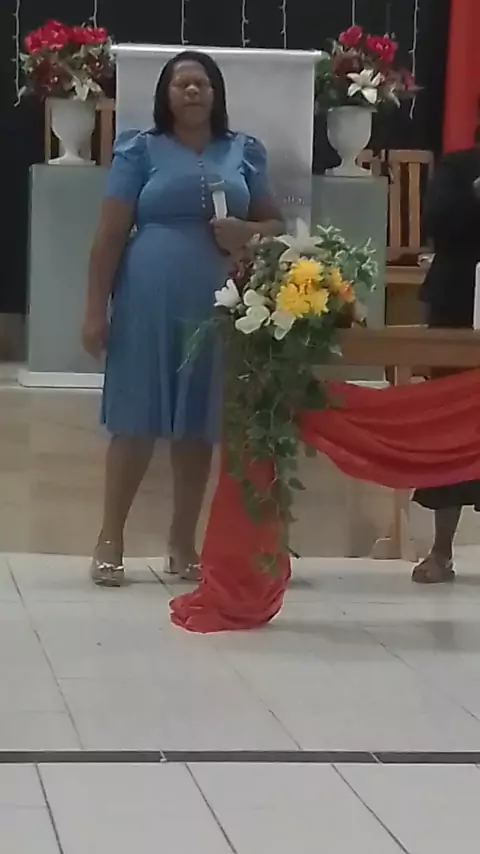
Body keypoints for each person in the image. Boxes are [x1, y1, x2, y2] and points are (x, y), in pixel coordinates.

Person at [82, 50, 283, 586]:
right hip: (146, 299)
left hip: (216, 303)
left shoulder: (243, 151)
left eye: (201, 84)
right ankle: (110, 538)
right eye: (181, 84)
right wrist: (95, 309)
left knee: (198, 422)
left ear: (216, 94)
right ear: (165, 96)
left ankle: (182, 542)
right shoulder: (139, 149)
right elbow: (108, 236)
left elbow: (277, 225)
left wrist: (247, 232)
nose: (192, 91)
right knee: (136, 418)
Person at [412, 128, 480, 583]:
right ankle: (441, 550)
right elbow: (435, 223)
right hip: (458, 300)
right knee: (450, 426)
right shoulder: (458, 167)